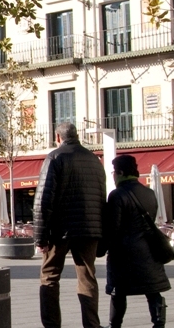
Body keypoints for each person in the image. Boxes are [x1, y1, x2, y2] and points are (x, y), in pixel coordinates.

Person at [34, 122, 108, 328]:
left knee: (49, 276)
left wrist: (40, 236)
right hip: (90, 229)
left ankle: (51, 325)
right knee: (87, 277)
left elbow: (43, 199)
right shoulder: (94, 160)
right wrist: (101, 233)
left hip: (60, 229)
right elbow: (102, 199)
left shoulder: (55, 157)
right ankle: (92, 325)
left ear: (58, 137)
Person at [102, 155, 170, 328]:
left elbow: (113, 228)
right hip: (149, 250)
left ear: (121, 172)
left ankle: (115, 325)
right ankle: (159, 323)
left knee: (119, 292)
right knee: (152, 289)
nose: (113, 175)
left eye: (114, 172)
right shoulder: (150, 193)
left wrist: (102, 248)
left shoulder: (117, 195)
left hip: (124, 253)